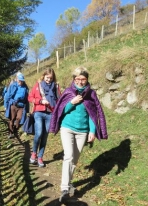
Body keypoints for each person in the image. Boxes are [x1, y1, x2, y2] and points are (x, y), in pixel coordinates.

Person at [49, 66, 108, 202]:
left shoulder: (91, 94)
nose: (80, 82)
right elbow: (60, 111)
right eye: (78, 79)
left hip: (82, 131)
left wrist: (92, 131)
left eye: (83, 79)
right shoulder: (69, 92)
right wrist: (71, 102)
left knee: (74, 160)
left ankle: (69, 184)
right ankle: (64, 189)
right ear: (73, 79)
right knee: (68, 156)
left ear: (87, 79)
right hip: (67, 128)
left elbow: (92, 114)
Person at [28, 68, 61, 167]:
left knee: (45, 136)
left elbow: (60, 98)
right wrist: (40, 101)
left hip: (50, 114)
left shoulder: (55, 86)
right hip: (39, 112)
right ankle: (34, 153)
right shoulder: (38, 85)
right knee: (38, 133)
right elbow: (30, 97)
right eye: (47, 78)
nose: (48, 80)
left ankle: (40, 157)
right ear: (44, 76)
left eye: (51, 78)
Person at [5, 73, 29, 138]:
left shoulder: (25, 87)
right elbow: (7, 95)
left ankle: (15, 130)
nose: (20, 82)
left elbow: (27, 98)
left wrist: (27, 109)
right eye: (19, 81)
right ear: (17, 80)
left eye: (21, 81)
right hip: (13, 105)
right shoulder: (13, 86)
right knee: (12, 119)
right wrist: (6, 105)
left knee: (19, 119)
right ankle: (11, 132)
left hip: (21, 106)